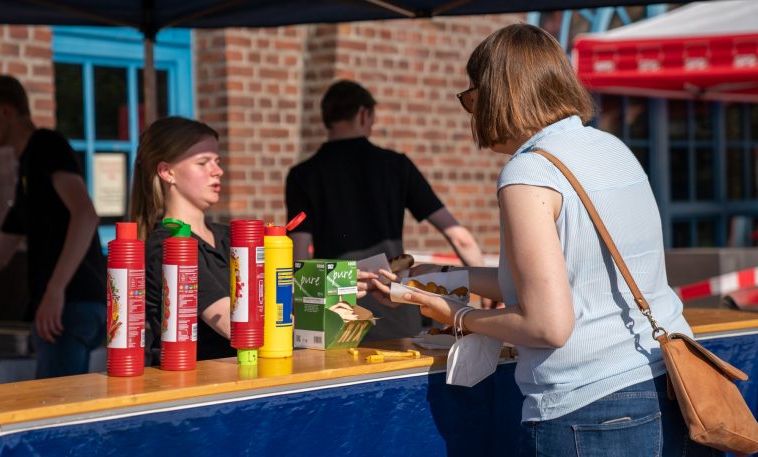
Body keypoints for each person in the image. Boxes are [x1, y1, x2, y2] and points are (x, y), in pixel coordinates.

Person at [368, 24, 719, 456]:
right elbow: (562, 280)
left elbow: (546, 325)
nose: (471, 113)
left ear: (497, 96)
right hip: (668, 384)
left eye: (471, 98)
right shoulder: (611, 148)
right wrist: (442, 276)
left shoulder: (528, 173)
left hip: (589, 409)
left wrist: (456, 314)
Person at [286, 79, 486, 340]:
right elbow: (459, 236)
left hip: (338, 313)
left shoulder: (302, 175)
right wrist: (488, 292)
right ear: (363, 114)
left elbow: (300, 257)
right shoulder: (397, 166)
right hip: (394, 305)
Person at [0, 74, 106, 379]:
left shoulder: (46, 144)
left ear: (5, 111)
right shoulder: (27, 171)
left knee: (57, 414)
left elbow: (85, 214)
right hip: (68, 308)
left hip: (69, 308)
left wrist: (55, 291)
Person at [130, 116, 233, 364]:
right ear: (167, 172)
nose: (217, 171)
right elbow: (235, 325)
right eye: (203, 162)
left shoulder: (229, 236)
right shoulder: (169, 245)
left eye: (217, 161)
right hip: (194, 387)